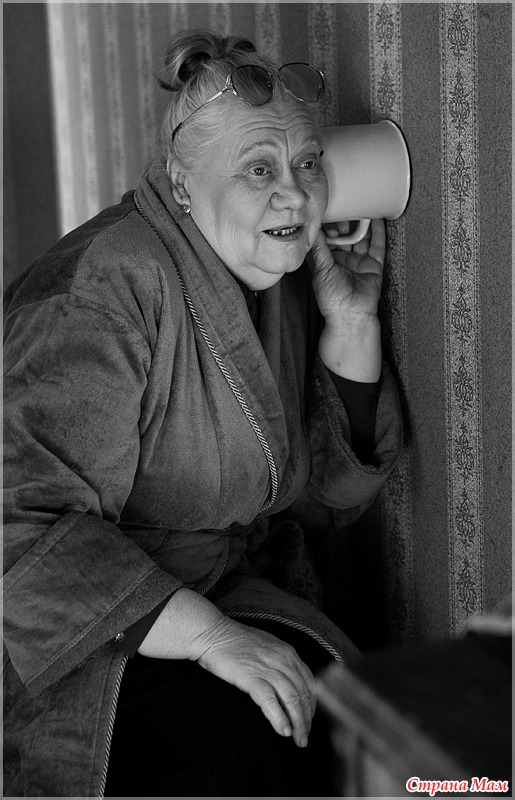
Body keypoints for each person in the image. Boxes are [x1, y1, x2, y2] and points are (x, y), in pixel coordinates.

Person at [3, 29, 402, 798]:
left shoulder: (263, 270)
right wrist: (211, 637)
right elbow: (14, 527)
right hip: (71, 637)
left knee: (354, 730)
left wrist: (352, 324)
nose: (295, 195)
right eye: (258, 168)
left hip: (222, 592)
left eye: (307, 163)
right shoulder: (103, 290)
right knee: (236, 742)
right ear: (182, 186)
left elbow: (321, 501)